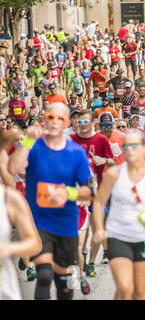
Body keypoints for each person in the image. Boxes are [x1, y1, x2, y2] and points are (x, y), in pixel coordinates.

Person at [8, 103, 95, 300]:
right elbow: (13, 168)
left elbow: (89, 192)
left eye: (60, 118)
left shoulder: (76, 152)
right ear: (44, 120)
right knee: (44, 276)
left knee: (63, 281)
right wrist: (28, 141)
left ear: (67, 123)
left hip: (66, 223)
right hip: (39, 222)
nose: (54, 122)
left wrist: (69, 193)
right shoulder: (34, 146)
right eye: (50, 117)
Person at [92, 130, 145, 300]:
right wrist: (99, 229)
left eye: (134, 146)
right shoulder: (114, 174)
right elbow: (98, 202)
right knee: (125, 288)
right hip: (119, 236)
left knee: (139, 293)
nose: (129, 150)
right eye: (126, 147)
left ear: (144, 147)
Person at [70, 110, 115, 277]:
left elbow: (112, 161)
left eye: (85, 122)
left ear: (92, 123)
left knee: (97, 227)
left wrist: (103, 160)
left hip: (97, 191)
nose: (81, 126)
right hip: (77, 193)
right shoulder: (71, 140)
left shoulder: (101, 139)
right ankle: (82, 253)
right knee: (82, 229)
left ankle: (91, 262)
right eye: (79, 122)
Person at [0, 130, 42, 300]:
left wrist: (9, 249)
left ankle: (27, 262)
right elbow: (9, 174)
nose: (18, 142)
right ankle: (28, 265)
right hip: (19, 192)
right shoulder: (12, 158)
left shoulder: (36, 154)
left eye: (21, 140)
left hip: (30, 198)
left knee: (29, 231)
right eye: (16, 140)